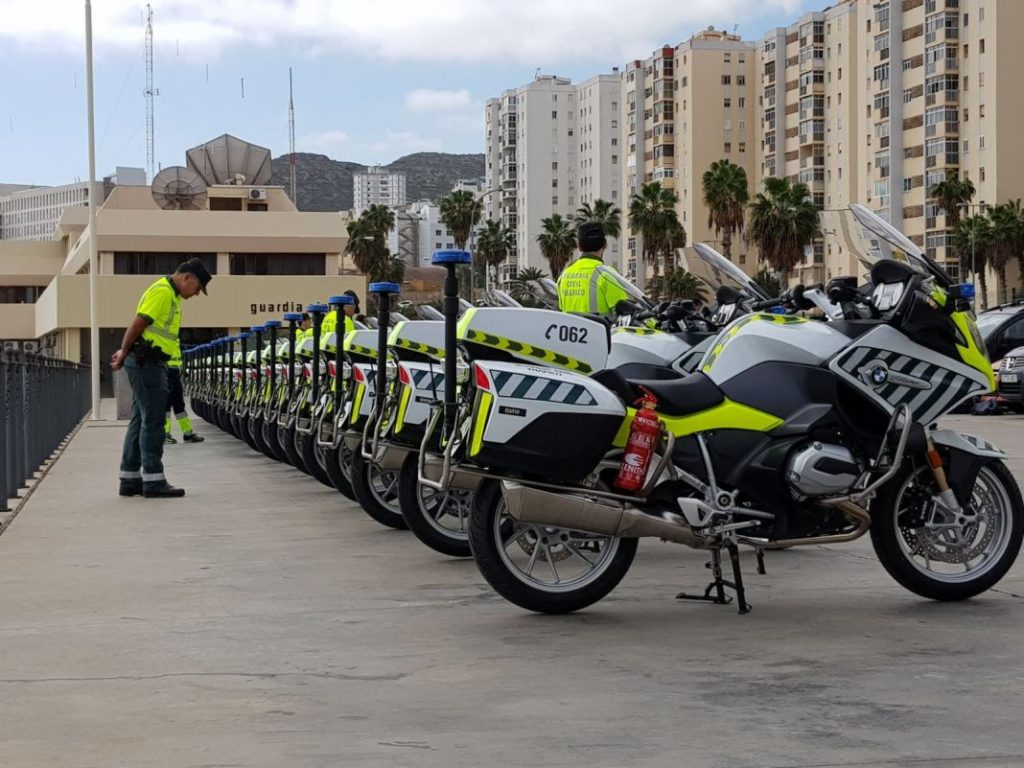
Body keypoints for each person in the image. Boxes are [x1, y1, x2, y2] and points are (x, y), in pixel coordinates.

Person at [112, 258, 211, 498]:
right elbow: (139, 322)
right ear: (187, 277)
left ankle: (130, 479)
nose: (196, 294)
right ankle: (154, 481)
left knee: (140, 419)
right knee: (154, 421)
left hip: (149, 361)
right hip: (147, 362)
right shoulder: (164, 292)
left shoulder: (172, 296)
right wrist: (124, 352)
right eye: (197, 288)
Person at [557, 222, 634, 316]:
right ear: (605, 244)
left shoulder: (564, 276)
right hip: (600, 330)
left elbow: (561, 310)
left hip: (569, 330)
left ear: (579, 246)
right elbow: (626, 311)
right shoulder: (607, 275)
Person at [164, 346, 203, 445]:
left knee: (180, 406)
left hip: (175, 375)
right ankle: (164, 434)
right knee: (165, 407)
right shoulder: (162, 337)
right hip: (165, 374)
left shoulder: (174, 338)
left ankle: (188, 433)